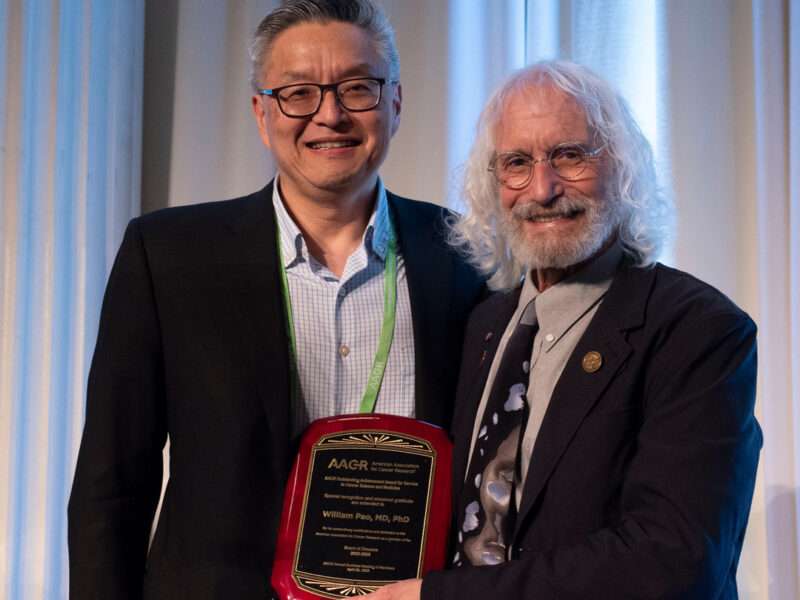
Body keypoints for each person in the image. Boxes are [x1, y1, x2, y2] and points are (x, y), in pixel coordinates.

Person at [67, 1, 484, 597]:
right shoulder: (167, 257)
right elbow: (112, 487)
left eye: (358, 88)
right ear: (262, 115)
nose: (330, 115)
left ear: (395, 102)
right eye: (298, 93)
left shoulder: (467, 258)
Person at [369, 61, 761, 599]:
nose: (543, 187)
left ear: (620, 165)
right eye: (516, 162)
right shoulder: (483, 322)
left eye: (569, 155)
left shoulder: (701, 331)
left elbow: (672, 561)